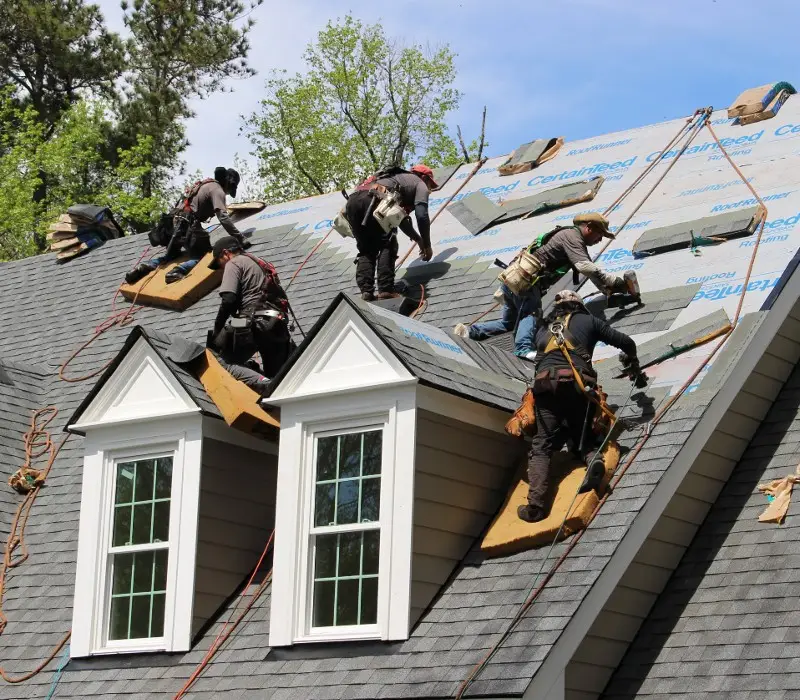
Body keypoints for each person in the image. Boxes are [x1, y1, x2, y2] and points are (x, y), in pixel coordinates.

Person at [518, 290, 639, 523]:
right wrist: (633, 362)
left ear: (558, 308)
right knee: (583, 436)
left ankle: (535, 508)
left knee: (542, 446)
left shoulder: (544, 330)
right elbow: (626, 342)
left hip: (545, 387)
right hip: (578, 386)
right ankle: (594, 461)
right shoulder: (589, 321)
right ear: (579, 306)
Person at [454, 212, 632, 360]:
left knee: (509, 323)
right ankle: (523, 350)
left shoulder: (572, 239)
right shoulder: (572, 237)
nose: (600, 239)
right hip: (528, 283)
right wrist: (615, 282)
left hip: (514, 280)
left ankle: (470, 332)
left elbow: (588, 269)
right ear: (589, 227)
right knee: (530, 314)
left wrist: (607, 289)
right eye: (600, 234)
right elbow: (584, 266)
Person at [125, 167, 248, 285]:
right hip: (187, 225)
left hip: (172, 223)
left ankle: (145, 266)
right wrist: (240, 238)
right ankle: (176, 272)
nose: (227, 194)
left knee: (171, 256)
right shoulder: (217, 190)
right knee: (204, 256)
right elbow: (223, 218)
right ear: (228, 183)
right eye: (230, 190)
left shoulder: (206, 184)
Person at [206, 236, 295, 393]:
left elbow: (228, 299)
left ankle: (263, 382)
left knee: (217, 359)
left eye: (219, 262)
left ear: (226, 253)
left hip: (250, 320)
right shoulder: (259, 263)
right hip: (277, 321)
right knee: (278, 382)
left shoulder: (234, 262)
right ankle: (267, 383)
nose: (221, 268)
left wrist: (217, 330)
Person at [345, 164, 437, 301]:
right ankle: (386, 289)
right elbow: (422, 215)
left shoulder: (393, 178)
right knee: (388, 243)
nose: (429, 188)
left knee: (366, 249)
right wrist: (428, 245)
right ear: (424, 177)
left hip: (352, 202)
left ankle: (366, 292)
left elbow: (399, 219)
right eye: (430, 183)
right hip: (374, 200)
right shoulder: (419, 183)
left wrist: (418, 239)